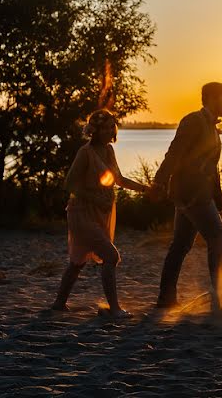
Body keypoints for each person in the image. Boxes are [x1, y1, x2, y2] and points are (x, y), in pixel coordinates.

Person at [50, 109, 149, 317]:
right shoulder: (85, 152)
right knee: (111, 256)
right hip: (81, 213)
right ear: (93, 130)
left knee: (77, 262)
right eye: (104, 127)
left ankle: (59, 304)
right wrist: (94, 197)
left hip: (100, 213)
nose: (108, 130)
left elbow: (119, 179)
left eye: (111, 126)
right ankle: (114, 309)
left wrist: (145, 189)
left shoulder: (109, 151)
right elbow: (69, 184)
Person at [152, 82, 222, 310]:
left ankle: (166, 299)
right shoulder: (193, 121)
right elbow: (174, 153)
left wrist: (217, 196)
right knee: (218, 236)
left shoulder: (209, 125)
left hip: (198, 194)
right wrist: (159, 181)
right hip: (192, 194)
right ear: (212, 98)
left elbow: (210, 166)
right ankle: (219, 297)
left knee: (181, 245)